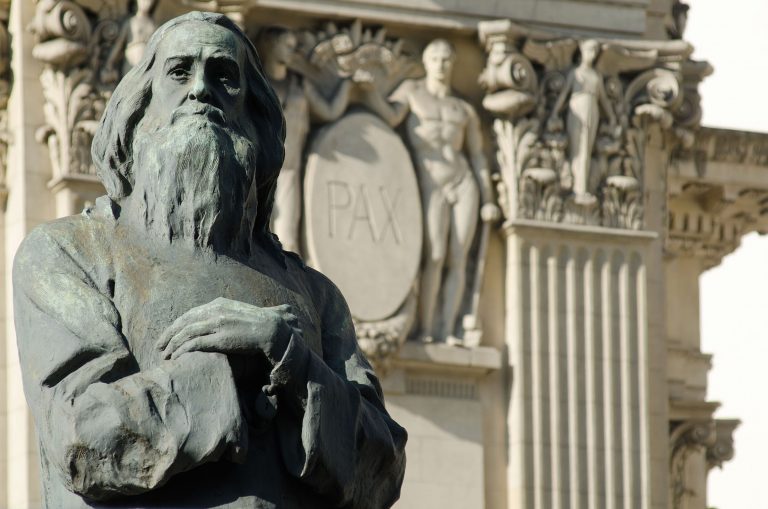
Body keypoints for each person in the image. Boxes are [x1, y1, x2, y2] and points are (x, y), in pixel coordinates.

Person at [14, 12, 406, 508]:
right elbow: (83, 434)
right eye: (180, 72)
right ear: (140, 105)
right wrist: (234, 367)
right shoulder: (69, 254)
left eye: (225, 76)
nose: (202, 90)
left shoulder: (314, 293)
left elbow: (384, 467)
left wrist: (292, 361)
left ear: (252, 115)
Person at [362, 39, 500, 342]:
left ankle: (447, 329)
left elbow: (476, 155)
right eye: (436, 58)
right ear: (427, 62)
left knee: (458, 258)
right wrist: (368, 89)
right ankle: (425, 329)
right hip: (430, 180)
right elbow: (390, 116)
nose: (442, 64)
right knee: (435, 255)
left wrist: (488, 199)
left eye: (447, 58)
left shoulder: (462, 108)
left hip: (463, 181)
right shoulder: (413, 92)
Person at [255, 27, 352, 253]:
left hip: (290, 169)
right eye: (286, 44)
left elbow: (328, 111)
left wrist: (347, 83)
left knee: (288, 238)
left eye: (294, 45)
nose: (293, 49)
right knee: (254, 234)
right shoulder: (255, 83)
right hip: (258, 170)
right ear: (270, 45)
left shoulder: (299, 85)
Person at [548, 39, 617, 204]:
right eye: (589, 50)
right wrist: (555, 113)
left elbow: (604, 100)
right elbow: (564, 94)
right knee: (577, 149)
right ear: (582, 52)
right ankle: (576, 187)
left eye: (594, 51)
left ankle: (584, 188)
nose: (591, 55)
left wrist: (612, 116)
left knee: (587, 149)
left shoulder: (596, 75)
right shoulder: (576, 73)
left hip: (592, 111)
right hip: (577, 110)